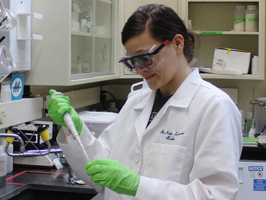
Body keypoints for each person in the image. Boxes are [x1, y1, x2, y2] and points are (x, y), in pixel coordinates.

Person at [48, 4, 242, 200]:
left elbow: (215, 195)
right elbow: (101, 172)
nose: (140, 70)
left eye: (146, 58)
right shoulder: (136, 101)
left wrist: (138, 186)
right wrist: (75, 130)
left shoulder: (214, 107)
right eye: (133, 61)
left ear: (177, 43)